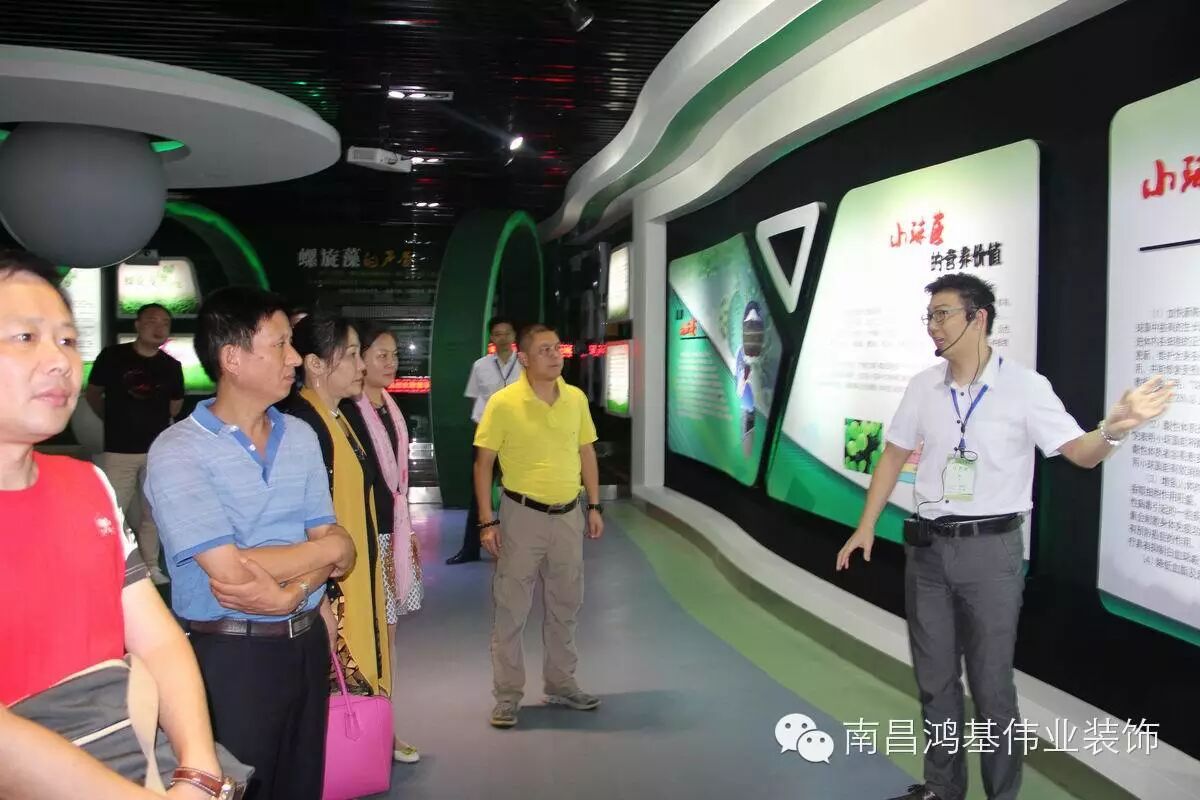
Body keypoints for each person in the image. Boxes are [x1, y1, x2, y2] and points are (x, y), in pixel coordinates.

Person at [835, 274, 1173, 800]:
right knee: (935, 682)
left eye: (943, 314)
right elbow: (895, 453)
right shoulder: (923, 386)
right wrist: (865, 525)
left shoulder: (1025, 387)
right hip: (926, 550)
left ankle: (1002, 795)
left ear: (979, 318)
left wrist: (1115, 428)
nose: (933, 326)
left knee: (992, 688)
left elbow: (1080, 454)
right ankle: (943, 788)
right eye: (929, 316)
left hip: (990, 553)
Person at [0, 249, 226, 798]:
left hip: (131, 758)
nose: (59, 360)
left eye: (67, 339)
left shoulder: (86, 486)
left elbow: (157, 639)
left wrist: (199, 771)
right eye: (25, 337)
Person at [144, 288, 357, 800]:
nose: (294, 358)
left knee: (301, 785)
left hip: (306, 644)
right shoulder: (178, 450)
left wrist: (295, 591)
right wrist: (325, 555)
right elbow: (230, 572)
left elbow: (339, 544)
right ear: (232, 359)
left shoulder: (300, 436)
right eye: (280, 344)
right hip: (231, 657)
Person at [473, 323, 605, 728]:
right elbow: (483, 464)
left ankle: (562, 683)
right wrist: (487, 520)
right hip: (521, 518)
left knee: (566, 604)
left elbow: (586, 452)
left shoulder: (575, 399)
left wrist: (594, 505)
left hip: (568, 517)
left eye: (556, 347)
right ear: (524, 358)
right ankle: (507, 695)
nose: (554, 355)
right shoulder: (504, 403)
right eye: (544, 349)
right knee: (511, 608)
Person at [280, 313, 393, 711]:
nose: (362, 366)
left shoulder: (339, 416)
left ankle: (374, 730)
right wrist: (321, 594)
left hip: (356, 572)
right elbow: (300, 521)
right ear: (315, 364)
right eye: (351, 355)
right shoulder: (303, 424)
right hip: (332, 587)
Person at [341, 321, 424, 764]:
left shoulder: (390, 407)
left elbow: (396, 482)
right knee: (366, 637)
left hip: (393, 533)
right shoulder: (348, 412)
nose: (391, 363)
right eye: (380, 355)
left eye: (394, 355)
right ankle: (373, 731)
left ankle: (383, 725)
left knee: (386, 636)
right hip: (365, 537)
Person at [85, 302, 184, 584]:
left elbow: (175, 406)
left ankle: (151, 566)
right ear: (138, 325)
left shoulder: (171, 366)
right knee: (112, 510)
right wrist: (113, 419)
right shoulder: (113, 357)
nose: (159, 327)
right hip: (119, 449)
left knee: (152, 512)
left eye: (165, 323)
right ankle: (109, 565)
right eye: (152, 320)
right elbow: (93, 394)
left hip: (156, 451)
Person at [448, 316, 522, 564]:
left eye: (507, 333)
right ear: (491, 337)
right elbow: (474, 398)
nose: (503, 338)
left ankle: (517, 549)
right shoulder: (480, 366)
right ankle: (470, 549)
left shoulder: (525, 365)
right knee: (477, 495)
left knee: (517, 494)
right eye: (497, 334)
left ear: (514, 336)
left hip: (516, 438)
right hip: (487, 437)